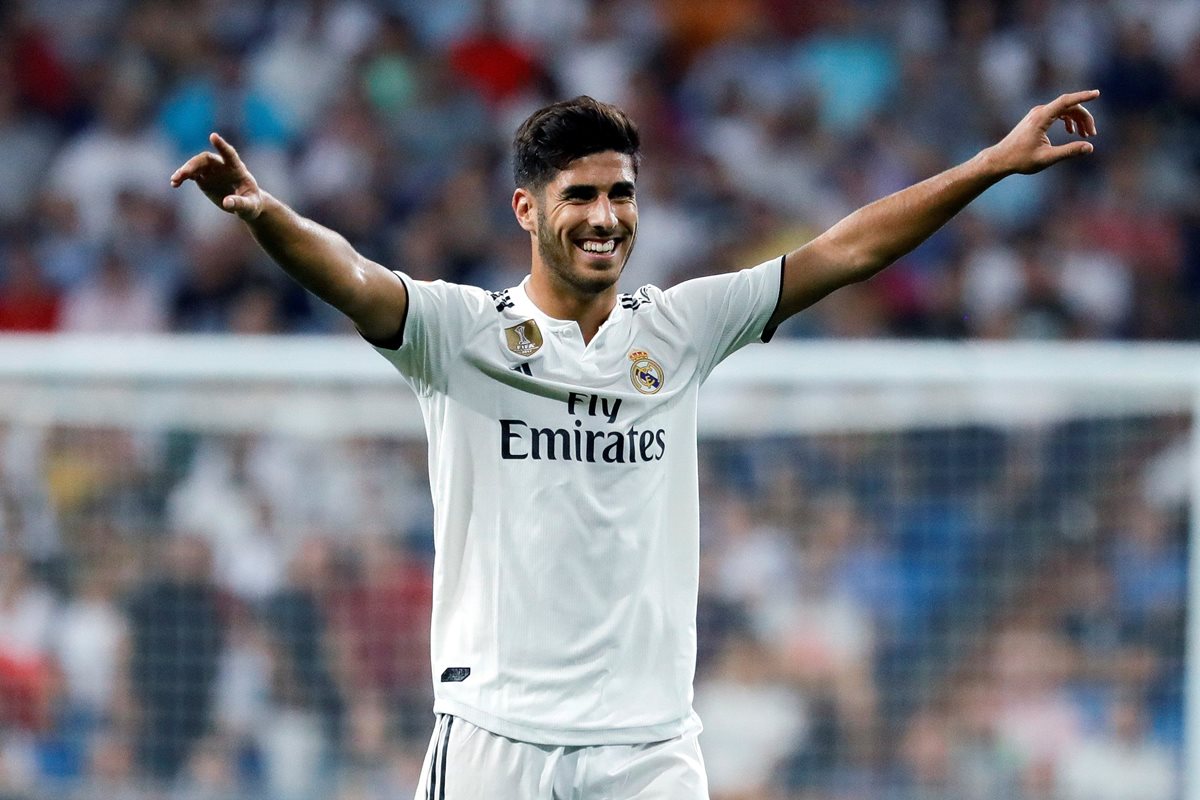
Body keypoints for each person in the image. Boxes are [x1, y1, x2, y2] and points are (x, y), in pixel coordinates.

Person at [170, 90, 1099, 799]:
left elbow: (847, 251)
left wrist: (988, 165)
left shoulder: (683, 327)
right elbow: (355, 278)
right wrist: (265, 214)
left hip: (648, 746)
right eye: (580, 195)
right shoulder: (457, 334)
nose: (606, 216)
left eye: (622, 193)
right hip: (498, 735)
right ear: (527, 210)